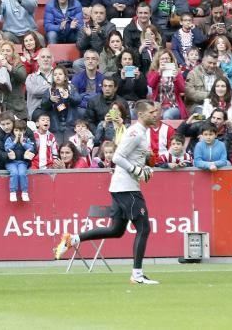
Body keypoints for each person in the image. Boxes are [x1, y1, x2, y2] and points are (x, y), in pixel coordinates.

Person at [54, 99, 161, 285]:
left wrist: (145, 169)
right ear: (141, 114)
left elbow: (133, 159)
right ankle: (137, 275)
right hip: (126, 188)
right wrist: (137, 171)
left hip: (121, 187)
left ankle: (73, 239)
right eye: (152, 112)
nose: (156, 115)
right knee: (144, 228)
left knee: (116, 230)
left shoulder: (142, 132)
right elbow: (118, 157)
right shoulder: (136, 133)